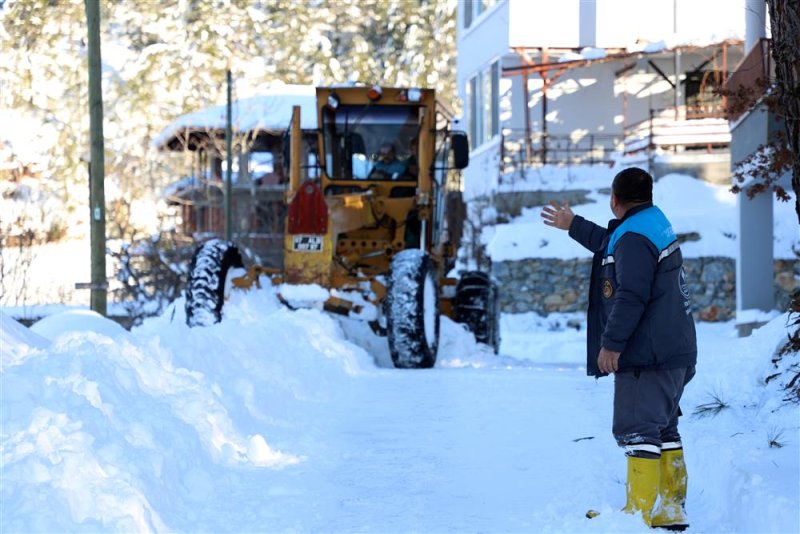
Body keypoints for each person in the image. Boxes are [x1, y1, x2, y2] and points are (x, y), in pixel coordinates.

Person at [540, 167, 697, 530]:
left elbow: (631, 294)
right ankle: (671, 508)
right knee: (664, 427)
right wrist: (573, 224)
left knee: (639, 429)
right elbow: (611, 243)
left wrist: (611, 345)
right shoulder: (651, 223)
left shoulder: (633, 238)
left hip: (648, 354)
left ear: (614, 199)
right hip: (674, 350)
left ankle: (637, 514)